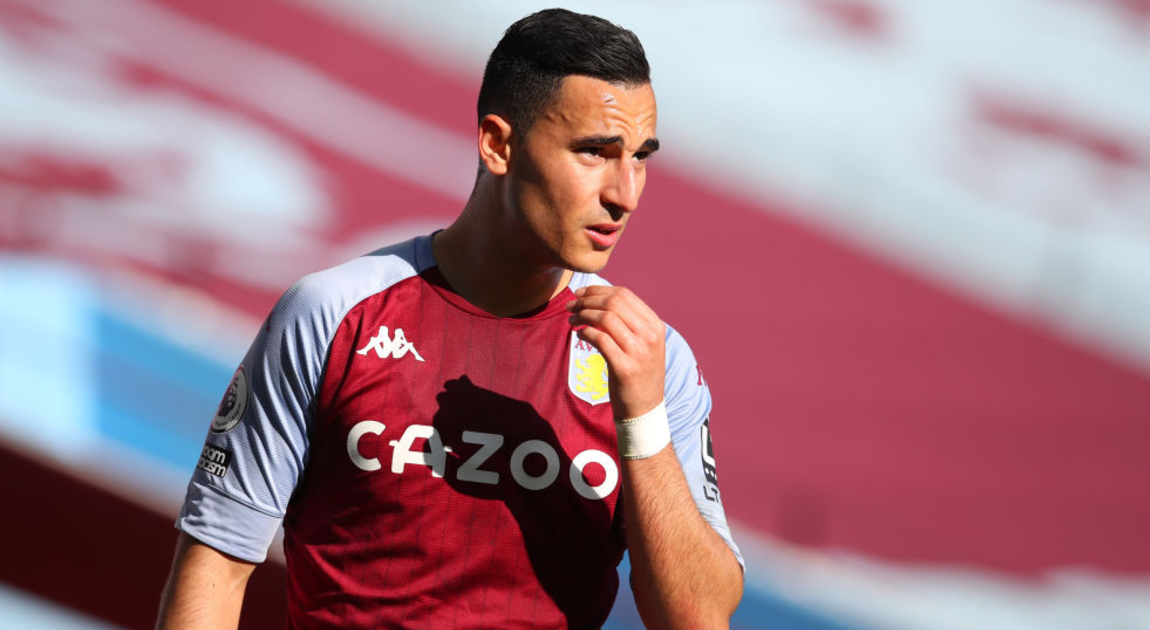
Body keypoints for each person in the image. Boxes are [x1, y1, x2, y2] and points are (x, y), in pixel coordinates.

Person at [157, 8, 743, 629]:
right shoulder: (330, 315)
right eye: (595, 152)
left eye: (640, 157)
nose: (625, 194)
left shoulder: (653, 361)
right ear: (498, 144)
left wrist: (643, 425)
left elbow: (699, 619)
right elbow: (215, 567)